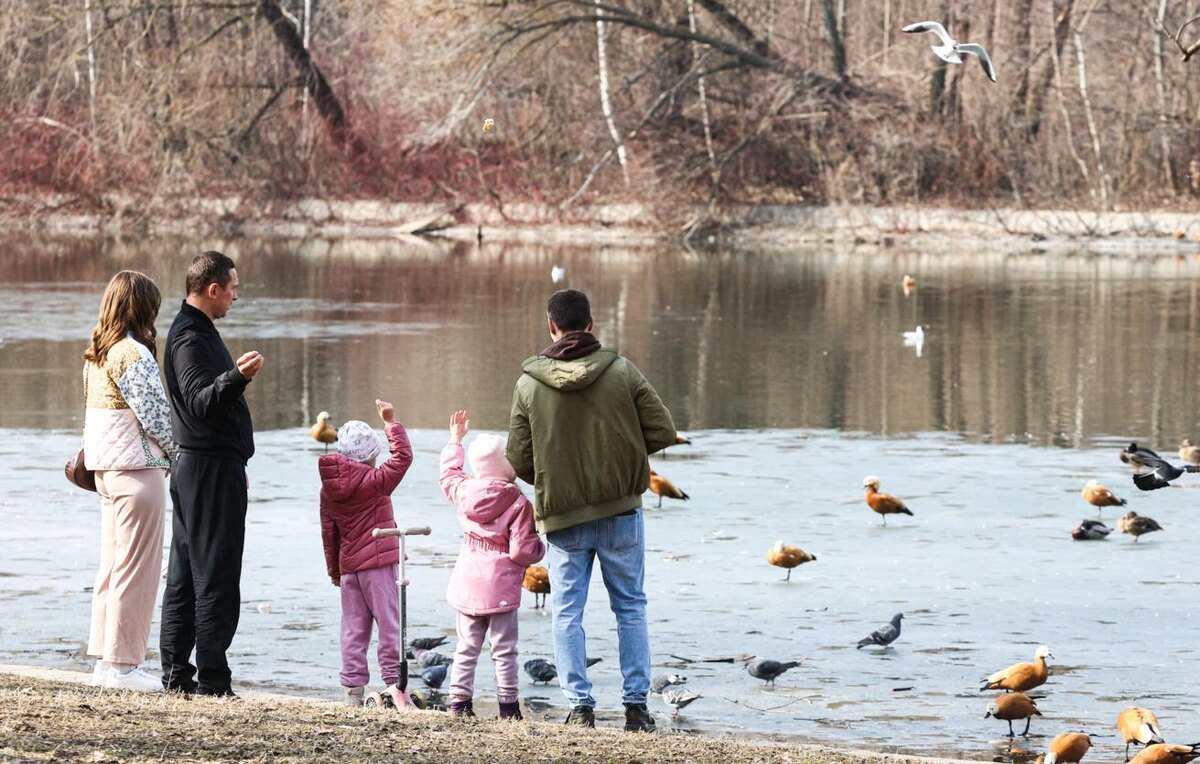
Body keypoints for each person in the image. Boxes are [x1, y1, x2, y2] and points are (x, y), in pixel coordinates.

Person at [505, 289, 678, 731]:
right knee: (631, 608)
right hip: (621, 511)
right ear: (591, 324)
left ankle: (580, 707)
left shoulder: (528, 384)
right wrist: (620, 455)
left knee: (567, 612)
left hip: (564, 516)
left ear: (551, 327)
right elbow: (662, 430)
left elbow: (519, 459)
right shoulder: (621, 371)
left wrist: (555, 475)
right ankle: (636, 708)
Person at [159, 251, 263, 696]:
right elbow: (200, 401)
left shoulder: (199, 332)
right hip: (205, 469)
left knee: (187, 574)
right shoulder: (188, 339)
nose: (236, 296)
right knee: (212, 577)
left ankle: (179, 677)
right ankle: (211, 682)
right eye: (232, 288)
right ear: (212, 289)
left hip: (208, 467)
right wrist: (236, 377)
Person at [82, 270, 179, 691]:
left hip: (105, 472)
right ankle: (125, 666)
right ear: (142, 308)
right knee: (139, 570)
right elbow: (157, 416)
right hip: (139, 472)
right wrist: (178, 454)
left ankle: (105, 662)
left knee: (112, 566)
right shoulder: (133, 354)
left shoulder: (96, 357)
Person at [438, 409, 545, 720]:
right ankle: (509, 708)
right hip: (500, 589)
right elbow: (522, 551)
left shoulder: (463, 491)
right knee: (505, 651)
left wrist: (455, 441)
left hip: (467, 586)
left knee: (466, 647)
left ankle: (458, 704)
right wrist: (540, 546)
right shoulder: (518, 502)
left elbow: (448, 474)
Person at [319, 400, 413, 707]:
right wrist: (390, 423)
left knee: (353, 629)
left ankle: (353, 693)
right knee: (389, 623)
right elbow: (403, 458)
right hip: (379, 564)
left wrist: (335, 570)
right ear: (370, 455)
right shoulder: (375, 481)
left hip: (349, 569)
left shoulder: (329, 489)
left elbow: (329, 533)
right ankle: (392, 684)